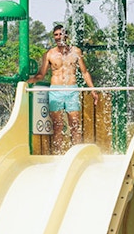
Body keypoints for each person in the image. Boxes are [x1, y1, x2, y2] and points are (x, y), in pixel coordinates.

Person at [28, 24, 98, 154]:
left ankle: (76, 153)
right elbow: (41, 75)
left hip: (72, 90)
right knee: (58, 125)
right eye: (56, 34)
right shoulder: (49, 54)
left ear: (66, 35)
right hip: (55, 90)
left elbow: (84, 72)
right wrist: (27, 82)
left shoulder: (76, 52)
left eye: (61, 34)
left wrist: (93, 90)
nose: (58, 37)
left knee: (75, 124)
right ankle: (58, 153)